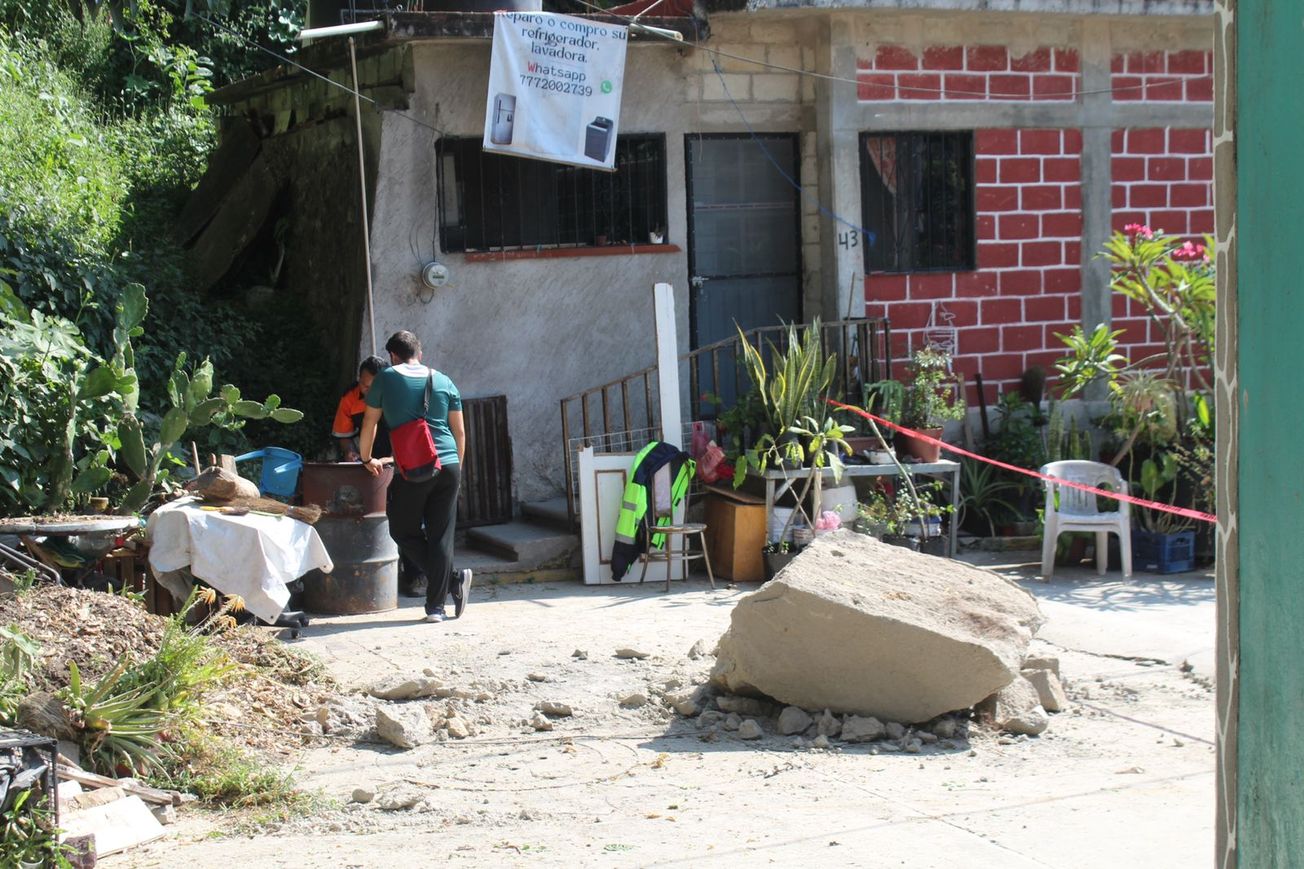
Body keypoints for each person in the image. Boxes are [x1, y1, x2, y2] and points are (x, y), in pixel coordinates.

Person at [359, 331, 473, 623]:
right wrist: (457, 470)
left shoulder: (386, 378)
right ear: (418, 354)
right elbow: (460, 432)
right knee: (440, 536)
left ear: (393, 356)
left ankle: (451, 582)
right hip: (449, 464)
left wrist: (366, 457)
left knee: (401, 529)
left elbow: (370, 421)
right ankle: (437, 607)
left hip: (414, 466)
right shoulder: (444, 380)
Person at [331, 356, 390, 462]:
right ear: (359, 380)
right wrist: (350, 451)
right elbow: (344, 434)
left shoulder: (398, 395)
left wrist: (392, 459)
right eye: (365, 386)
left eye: (375, 388)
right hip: (365, 458)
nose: (370, 392)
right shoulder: (350, 397)